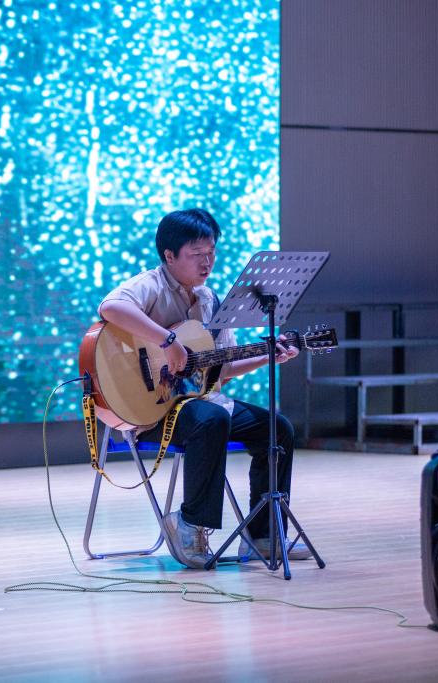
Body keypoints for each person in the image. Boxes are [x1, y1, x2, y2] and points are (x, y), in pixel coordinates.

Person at [98, 208, 310, 569]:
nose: (207, 261)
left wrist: (267, 357)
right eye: (196, 253)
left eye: (211, 252)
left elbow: (221, 370)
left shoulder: (209, 300)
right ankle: (189, 524)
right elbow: (111, 307)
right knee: (211, 419)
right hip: (150, 410)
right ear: (170, 256)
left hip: (197, 402)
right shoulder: (150, 285)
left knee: (277, 427)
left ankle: (263, 535)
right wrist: (167, 340)